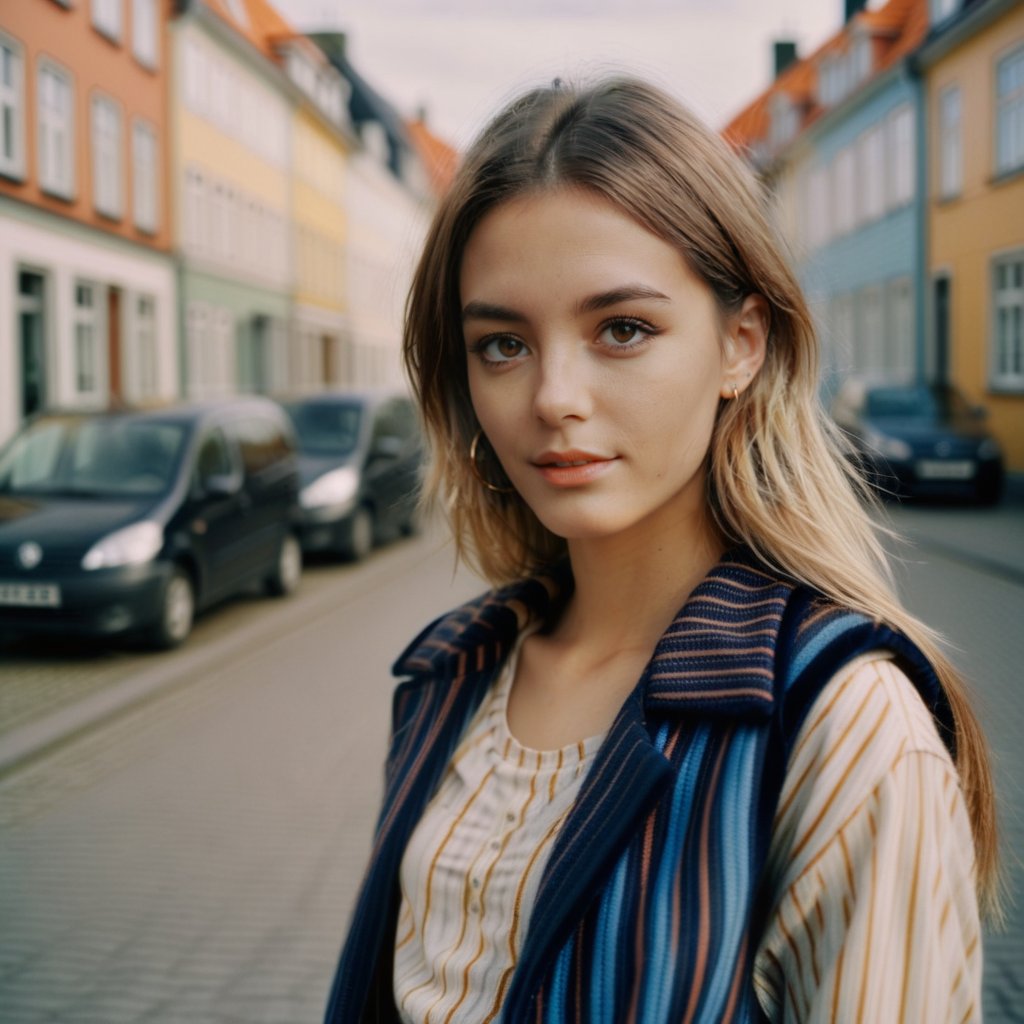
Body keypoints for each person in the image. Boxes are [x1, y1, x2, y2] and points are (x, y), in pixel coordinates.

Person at [324, 77, 999, 1024]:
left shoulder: (840, 723)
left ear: (741, 345)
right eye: (503, 345)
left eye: (623, 329)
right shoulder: (453, 672)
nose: (554, 395)